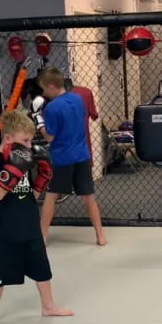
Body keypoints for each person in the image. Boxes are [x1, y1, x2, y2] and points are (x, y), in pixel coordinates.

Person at [0, 110, 73, 324]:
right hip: (6, 229)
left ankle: (48, 306)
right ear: (8, 138)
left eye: (30, 141)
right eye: (25, 140)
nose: (30, 146)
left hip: (30, 224)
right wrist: (13, 170)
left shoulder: (25, 158)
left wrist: (42, 179)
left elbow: (31, 195)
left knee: (42, 269)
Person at [34, 67, 106, 246]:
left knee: (51, 196)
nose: (43, 92)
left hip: (62, 158)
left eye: (44, 88)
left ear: (51, 86)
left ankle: (42, 236)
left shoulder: (52, 107)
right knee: (88, 195)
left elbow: (50, 136)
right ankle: (100, 236)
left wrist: (39, 121)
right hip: (81, 155)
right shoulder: (78, 99)